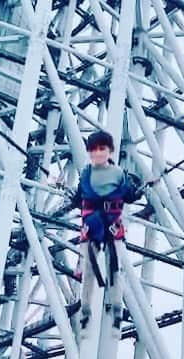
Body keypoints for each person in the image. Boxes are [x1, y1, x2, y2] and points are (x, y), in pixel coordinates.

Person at [58, 131, 143, 333]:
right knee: (111, 270)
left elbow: (79, 199)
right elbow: (130, 195)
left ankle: (93, 313)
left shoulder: (91, 174)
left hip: (96, 229)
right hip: (107, 228)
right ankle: (110, 312)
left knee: (96, 271)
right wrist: (140, 190)